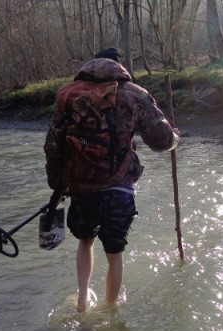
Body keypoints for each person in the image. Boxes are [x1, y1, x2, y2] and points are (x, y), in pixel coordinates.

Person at [44, 47, 179, 312]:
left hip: (82, 189)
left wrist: (57, 184)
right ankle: (110, 310)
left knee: (85, 241)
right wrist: (175, 137)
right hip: (119, 191)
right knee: (114, 253)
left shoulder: (67, 95)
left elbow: (52, 146)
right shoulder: (134, 94)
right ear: (119, 67)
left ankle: (82, 300)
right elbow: (162, 141)